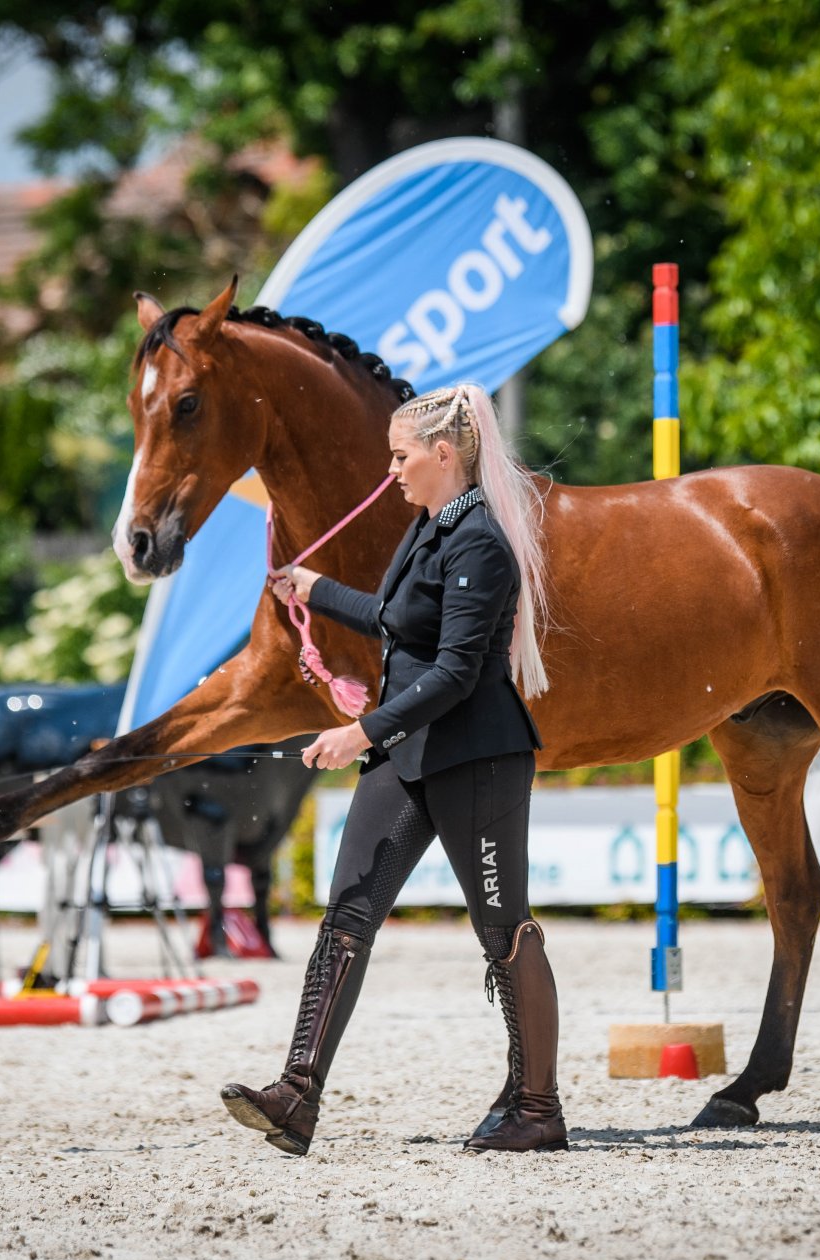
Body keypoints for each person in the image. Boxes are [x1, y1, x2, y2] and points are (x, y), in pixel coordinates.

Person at [219, 383, 563, 1156]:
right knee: (348, 913)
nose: (392, 471)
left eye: (401, 457)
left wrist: (358, 732)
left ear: (445, 454)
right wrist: (313, 590)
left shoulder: (480, 542)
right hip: (409, 754)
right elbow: (391, 616)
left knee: (502, 930)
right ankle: (295, 1096)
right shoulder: (426, 528)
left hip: (476, 758)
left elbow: (455, 672)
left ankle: (537, 1107)